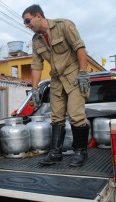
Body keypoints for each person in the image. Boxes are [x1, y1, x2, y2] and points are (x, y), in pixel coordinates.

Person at [22, 5, 90, 167]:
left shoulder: (63, 26)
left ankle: (81, 151)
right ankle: (55, 153)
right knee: (56, 117)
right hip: (57, 80)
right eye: (25, 23)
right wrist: (34, 88)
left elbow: (80, 48)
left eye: (27, 20)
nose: (27, 25)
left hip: (74, 76)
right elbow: (37, 65)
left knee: (75, 114)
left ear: (38, 16)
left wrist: (82, 73)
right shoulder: (36, 40)